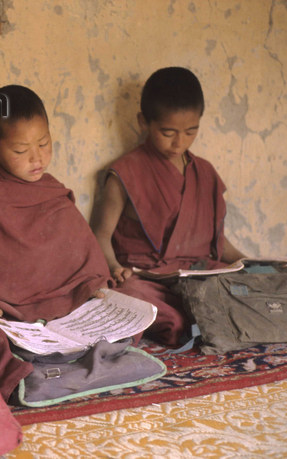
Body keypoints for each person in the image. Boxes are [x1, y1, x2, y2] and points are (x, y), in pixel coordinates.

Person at [0, 84, 112, 337]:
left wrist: (89, 287)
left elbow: (82, 263)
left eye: (44, 143)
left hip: (66, 307)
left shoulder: (52, 193)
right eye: (20, 151)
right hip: (5, 314)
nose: (36, 158)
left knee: (124, 311)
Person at [92, 67, 245, 347]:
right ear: (143, 122)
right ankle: (195, 322)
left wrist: (247, 264)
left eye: (190, 132)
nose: (179, 142)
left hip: (197, 275)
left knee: (246, 288)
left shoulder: (205, 172)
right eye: (168, 132)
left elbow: (218, 243)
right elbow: (99, 235)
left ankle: (201, 319)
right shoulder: (125, 173)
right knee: (131, 296)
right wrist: (114, 267)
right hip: (147, 279)